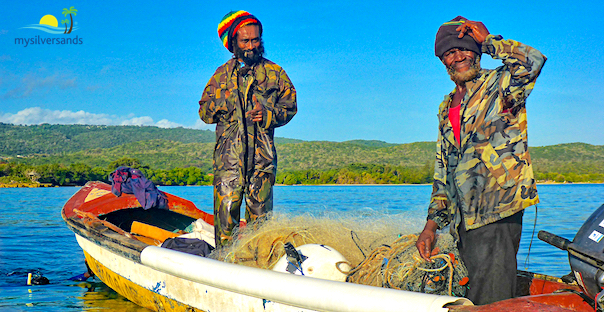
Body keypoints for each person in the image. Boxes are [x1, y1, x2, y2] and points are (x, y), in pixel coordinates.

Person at [415, 16, 546, 305]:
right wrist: (431, 226)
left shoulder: (501, 84)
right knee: (471, 295)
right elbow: (443, 170)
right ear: (442, 61)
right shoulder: (446, 106)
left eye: (465, 49)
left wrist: (489, 40)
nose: (458, 56)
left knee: (491, 299)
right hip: (463, 219)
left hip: (497, 210)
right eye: (449, 52)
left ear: (477, 52)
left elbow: (534, 61)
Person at [199, 10, 297, 248]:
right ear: (234, 43)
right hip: (228, 162)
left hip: (262, 161)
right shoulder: (220, 75)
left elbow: (291, 106)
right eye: (246, 40)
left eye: (256, 40)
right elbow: (204, 112)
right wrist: (228, 103)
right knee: (225, 222)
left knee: (261, 224)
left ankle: (259, 267)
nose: (252, 45)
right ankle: (223, 267)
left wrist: (268, 115)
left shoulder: (276, 73)